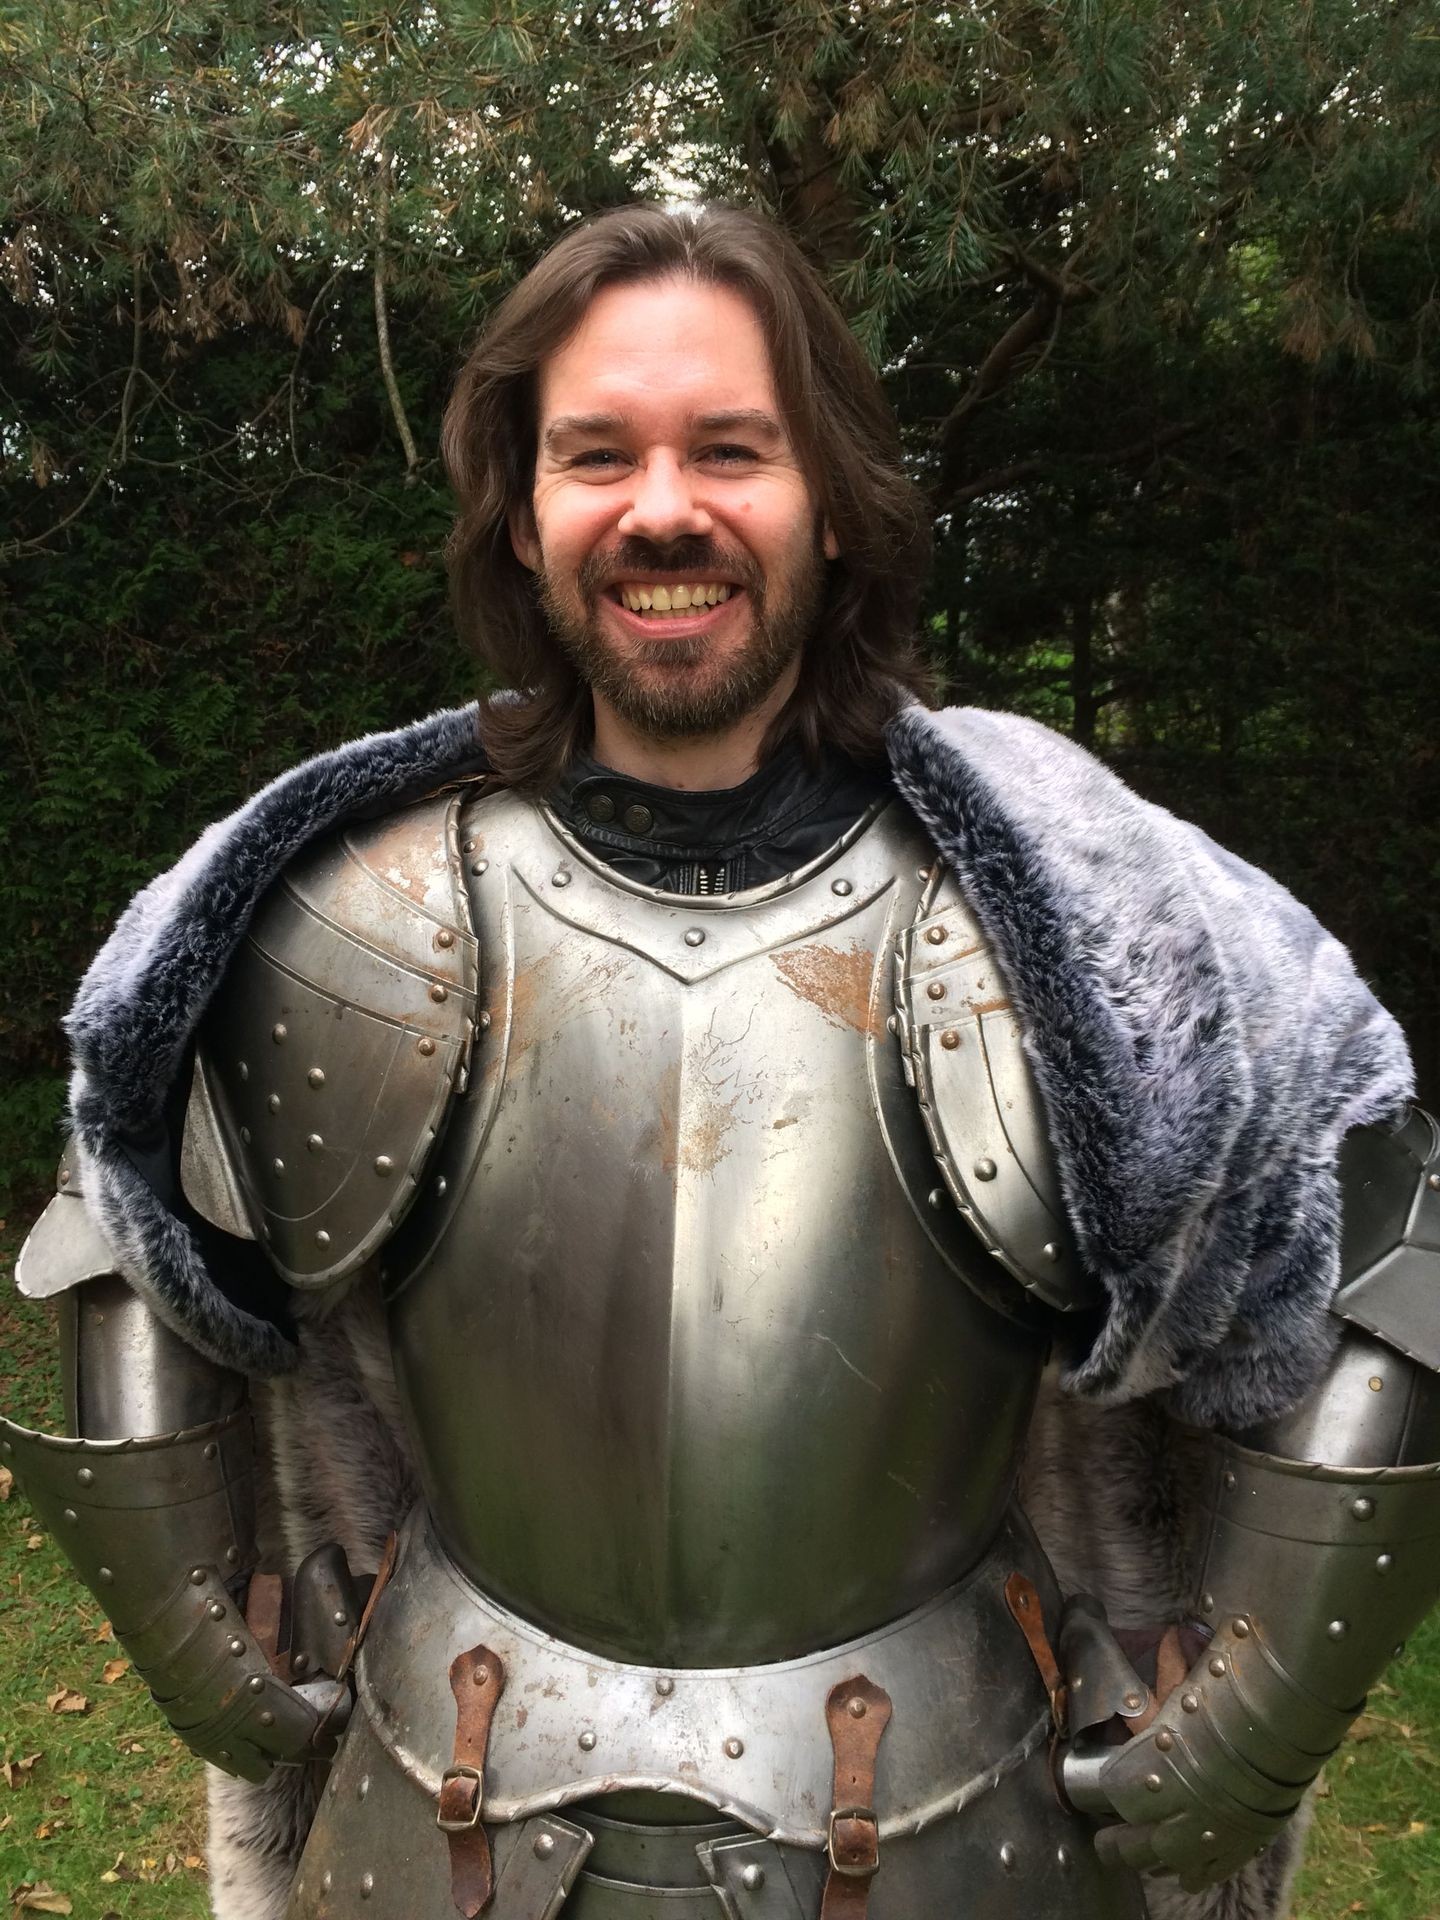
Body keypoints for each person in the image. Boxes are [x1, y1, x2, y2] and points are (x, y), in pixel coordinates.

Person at [4, 203, 1437, 1920]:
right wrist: (184, 1612)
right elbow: (128, 1183)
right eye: (595, 452)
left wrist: (1264, 1715)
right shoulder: (350, 905)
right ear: (523, 517)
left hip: (956, 1819)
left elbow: (1380, 1211)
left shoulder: (1085, 914)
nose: (664, 506)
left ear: (829, 502)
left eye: (730, 450)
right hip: (433, 1806)